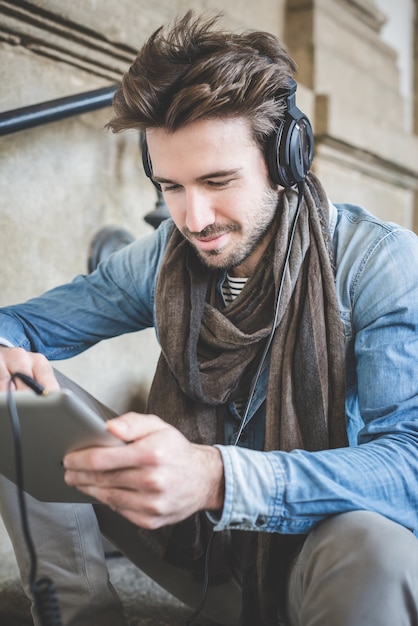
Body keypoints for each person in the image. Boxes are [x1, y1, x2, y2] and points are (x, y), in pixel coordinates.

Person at [0, 10, 418, 626]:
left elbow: (408, 467)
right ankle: (79, 615)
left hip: (321, 567)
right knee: (12, 393)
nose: (194, 218)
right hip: (190, 545)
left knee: (378, 548)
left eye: (218, 180)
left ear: (287, 160)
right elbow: (22, 325)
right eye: (170, 186)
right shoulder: (165, 257)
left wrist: (219, 477)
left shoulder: (379, 262)